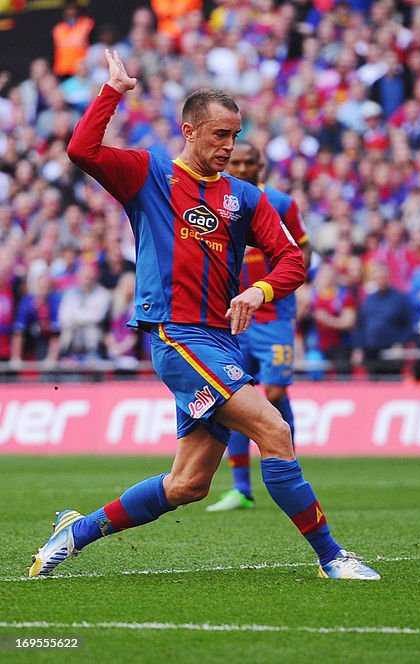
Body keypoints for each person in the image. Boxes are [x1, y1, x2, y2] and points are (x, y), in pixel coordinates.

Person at [29, 50, 379, 580]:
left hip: (220, 341)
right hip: (176, 335)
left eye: (235, 135)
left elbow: (293, 261)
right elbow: (82, 149)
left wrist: (259, 291)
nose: (229, 146)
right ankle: (333, 558)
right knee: (275, 431)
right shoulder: (149, 175)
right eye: (219, 135)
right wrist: (112, 93)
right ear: (189, 131)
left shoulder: (246, 197)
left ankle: (76, 530)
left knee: (188, 484)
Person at [206, 142, 311, 512]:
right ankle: (240, 488)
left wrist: (278, 284)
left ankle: (286, 467)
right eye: (237, 162)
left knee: (276, 392)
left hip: (274, 314)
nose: (243, 167)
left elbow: (302, 252)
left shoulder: (280, 203)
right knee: (236, 397)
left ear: (261, 167)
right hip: (233, 315)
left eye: (250, 162)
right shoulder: (217, 202)